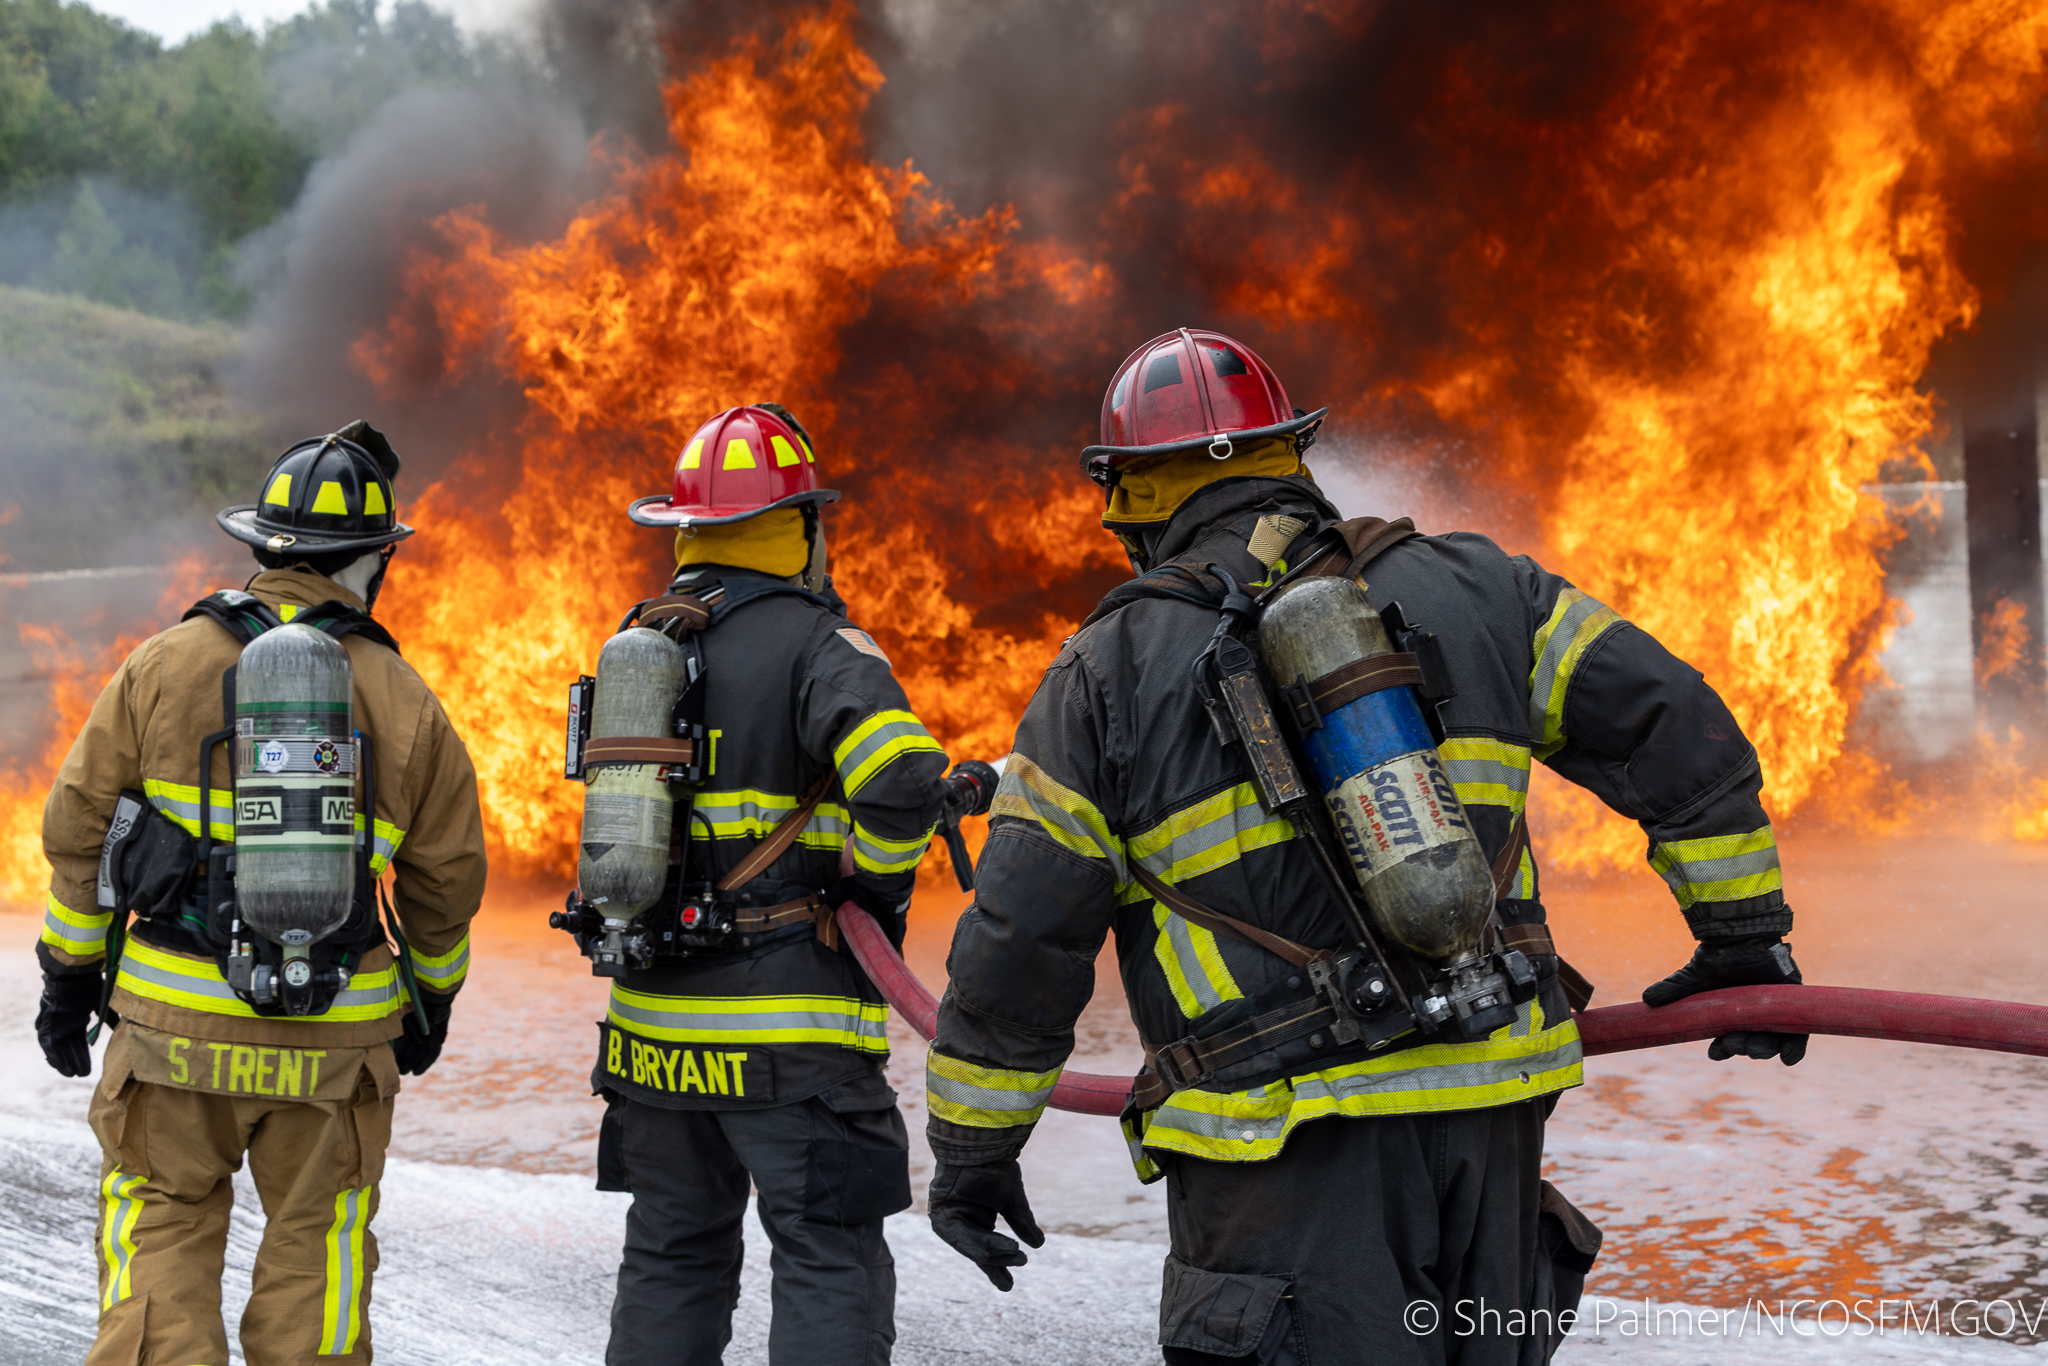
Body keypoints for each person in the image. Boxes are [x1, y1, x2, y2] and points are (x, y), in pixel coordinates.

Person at [923, 329, 1801, 1364]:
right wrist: (1743, 934)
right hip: (1491, 1109)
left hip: (1282, 1148)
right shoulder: (1483, 590)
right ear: (1290, 456)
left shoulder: (1105, 669)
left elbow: (1023, 933)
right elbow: (1674, 725)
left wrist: (974, 1150)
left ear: (1132, 496)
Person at [35, 421, 486, 1366]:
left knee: (159, 1229)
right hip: (334, 1045)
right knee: (317, 1256)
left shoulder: (162, 664)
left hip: (171, 1035)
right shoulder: (402, 697)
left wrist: (70, 977)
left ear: (260, 544)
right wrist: (429, 999)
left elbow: (78, 826)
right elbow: (444, 883)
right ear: (375, 559)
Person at [579, 403, 985, 1366]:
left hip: (651, 1035)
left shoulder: (642, 644)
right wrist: (877, 897)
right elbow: (895, 782)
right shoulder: (821, 645)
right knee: (825, 1256)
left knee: (671, 1255)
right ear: (799, 525)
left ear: (686, 528)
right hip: (789, 1037)